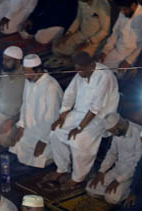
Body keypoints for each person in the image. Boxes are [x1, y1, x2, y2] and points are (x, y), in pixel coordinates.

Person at [49, 53, 120, 183]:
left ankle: (77, 177)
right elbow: (70, 94)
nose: (79, 73)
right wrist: (62, 116)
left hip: (99, 117)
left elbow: (95, 109)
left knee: (78, 139)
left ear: (91, 65)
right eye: (77, 69)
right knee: (55, 131)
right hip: (79, 113)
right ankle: (62, 168)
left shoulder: (104, 76)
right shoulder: (81, 73)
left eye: (81, 69)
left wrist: (79, 127)